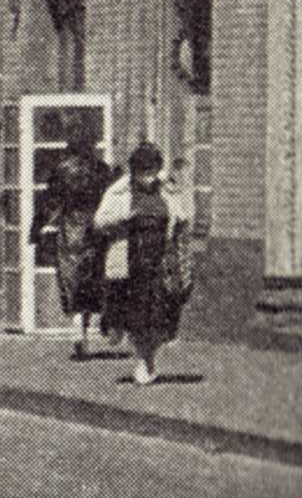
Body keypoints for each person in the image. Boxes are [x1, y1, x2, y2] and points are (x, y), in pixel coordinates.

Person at [92, 141, 192, 387]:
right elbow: (99, 222)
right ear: (134, 171)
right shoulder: (119, 191)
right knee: (136, 316)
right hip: (130, 261)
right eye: (143, 172)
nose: (148, 178)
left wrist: (179, 218)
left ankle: (148, 357)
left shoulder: (166, 190)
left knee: (159, 314)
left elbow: (182, 216)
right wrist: (123, 218)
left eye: (152, 171)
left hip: (161, 261)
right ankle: (143, 360)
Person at [44, 136, 114, 359]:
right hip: (94, 229)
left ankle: (77, 327)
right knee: (91, 278)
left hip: (70, 230)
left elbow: (52, 200)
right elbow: (108, 198)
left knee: (71, 278)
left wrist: (48, 224)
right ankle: (85, 328)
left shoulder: (61, 170)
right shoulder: (101, 169)